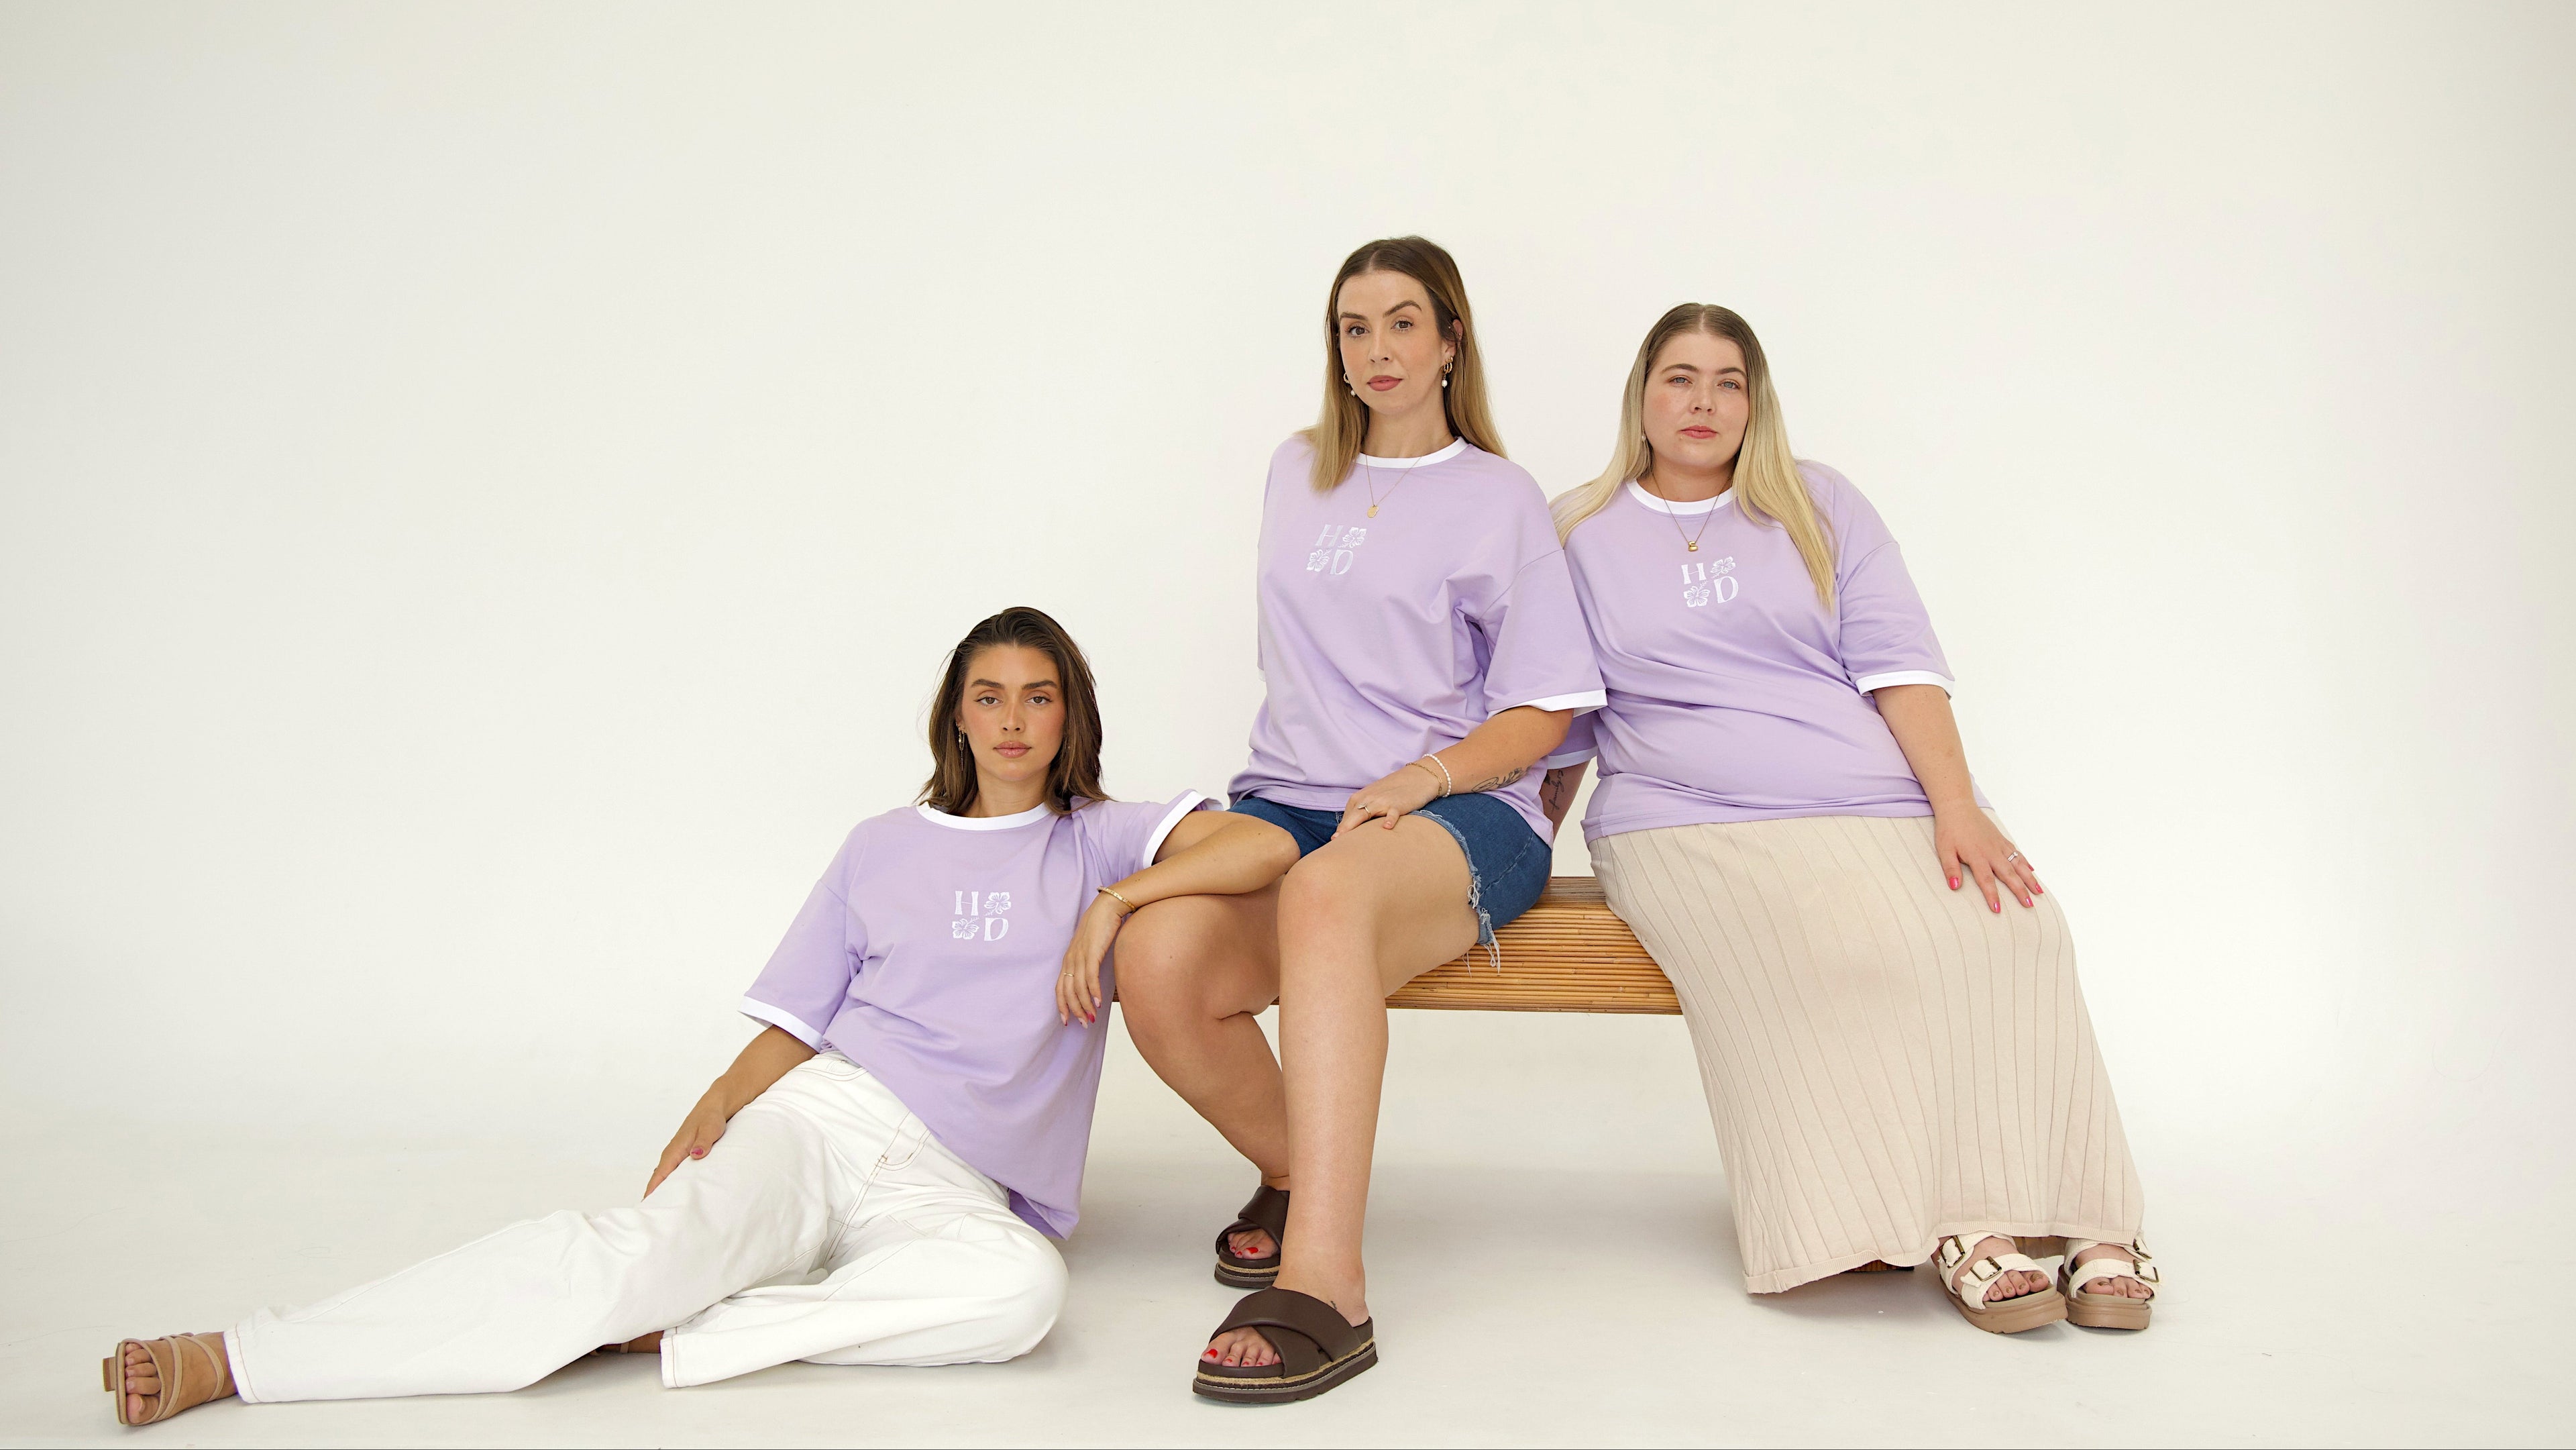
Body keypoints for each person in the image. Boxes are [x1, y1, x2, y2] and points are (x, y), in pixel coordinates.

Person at [103, 606, 1297, 1425]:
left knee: (1020, 1297)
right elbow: (799, 1019)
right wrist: (718, 1109)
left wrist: (1122, 903)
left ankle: (697, 1329)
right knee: (631, 1253)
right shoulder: (881, 845)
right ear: (957, 714)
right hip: (825, 1118)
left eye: (1039, 697)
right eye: (990, 696)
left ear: (1069, 712)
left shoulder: (1098, 836)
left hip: (959, 1184)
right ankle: (242, 1357)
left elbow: (1262, 842)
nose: (1014, 721)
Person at [1542, 305, 2159, 1334]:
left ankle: (2081, 1212)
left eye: (1729, 381)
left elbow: (1899, 663)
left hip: (1876, 797)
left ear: (1757, 401)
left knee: (2023, 929)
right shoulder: (1577, 532)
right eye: (1681, 378)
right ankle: (1961, 1218)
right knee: (1867, 943)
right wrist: (1514, 839)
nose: (1704, 402)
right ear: (1641, 395)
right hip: (1692, 821)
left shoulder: (1816, 503)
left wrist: (1954, 807)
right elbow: (1553, 718)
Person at [1108, 237, 1605, 1403]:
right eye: (1352, 326)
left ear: (1450, 340)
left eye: (1400, 323)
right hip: (1288, 800)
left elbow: (1545, 709)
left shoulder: (1498, 495)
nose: (1375, 350)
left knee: (1327, 894)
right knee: (1159, 955)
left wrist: (1424, 778)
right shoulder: (1296, 469)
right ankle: (1295, 1171)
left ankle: (1329, 1278)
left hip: (1459, 810)